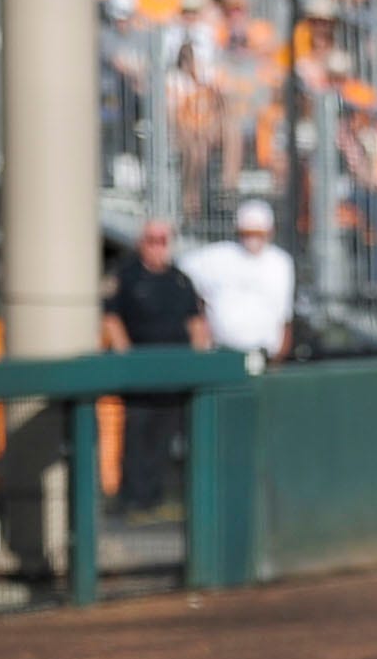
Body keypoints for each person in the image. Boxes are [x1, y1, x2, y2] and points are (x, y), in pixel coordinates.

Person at [99, 219, 209, 510]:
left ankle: (156, 498)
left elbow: (196, 322)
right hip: (139, 376)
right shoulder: (127, 276)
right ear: (141, 243)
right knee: (136, 437)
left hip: (174, 376)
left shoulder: (180, 280)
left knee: (163, 439)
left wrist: (199, 359)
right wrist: (127, 355)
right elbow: (111, 317)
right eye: (152, 240)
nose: (158, 246)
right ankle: (133, 500)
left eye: (163, 240)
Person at [181, 199, 295, 368]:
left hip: (265, 357)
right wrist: (201, 319)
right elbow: (181, 274)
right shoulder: (218, 256)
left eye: (258, 233)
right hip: (221, 354)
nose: (253, 239)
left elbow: (284, 316)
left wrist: (279, 357)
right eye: (247, 233)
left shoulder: (281, 262)